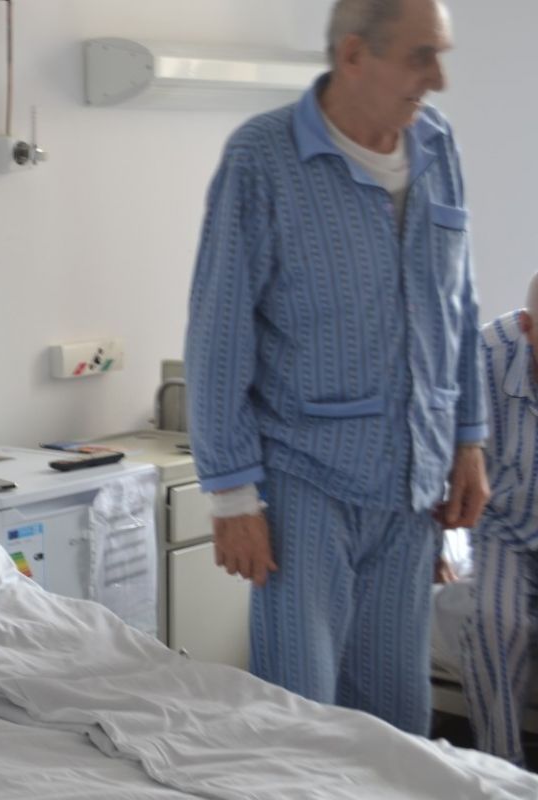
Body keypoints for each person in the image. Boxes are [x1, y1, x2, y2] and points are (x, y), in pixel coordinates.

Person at [185, 0, 489, 735]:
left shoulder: (438, 144)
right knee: (302, 713)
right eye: (421, 56)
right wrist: (231, 496)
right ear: (354, 55)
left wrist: (468, 440)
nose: (439, 78)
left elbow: (458, 302)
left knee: (398, 719)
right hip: (305, 483)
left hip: (412, 488)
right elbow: (219, 331)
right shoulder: (263, 158)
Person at [460, 273, 538, 766]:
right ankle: (502, 767)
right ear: (527, 328)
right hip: (503, 527)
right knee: (496, 621)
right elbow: (445, 455)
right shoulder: (483, 358)